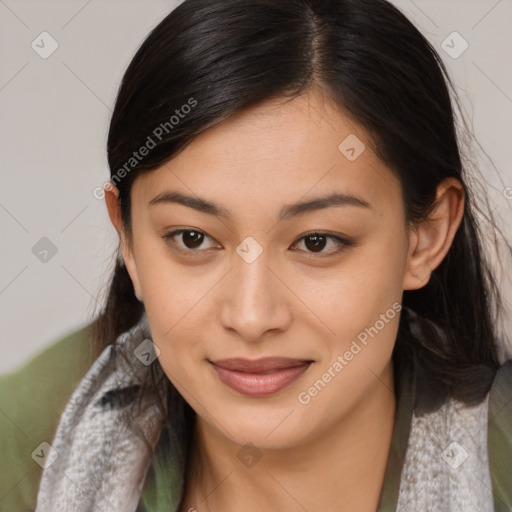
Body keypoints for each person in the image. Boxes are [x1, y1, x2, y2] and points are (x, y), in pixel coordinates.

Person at [1, 0, 511, 511]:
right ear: (128, 238)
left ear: (425, 235)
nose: (251, 317)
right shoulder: (33, 437)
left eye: (317, 242)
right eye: (193, 238)